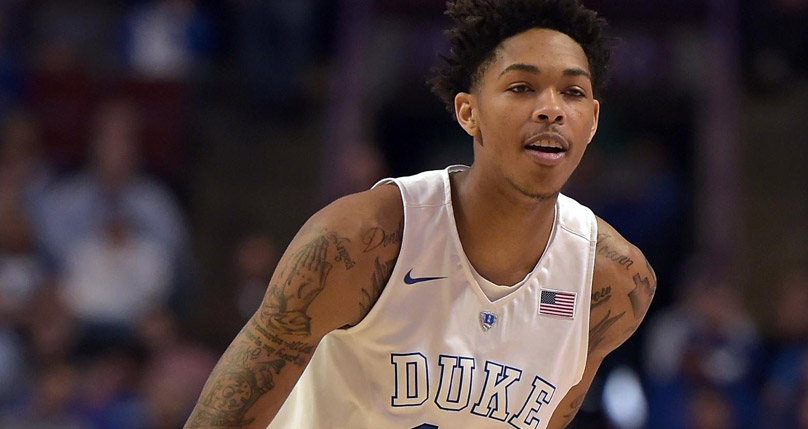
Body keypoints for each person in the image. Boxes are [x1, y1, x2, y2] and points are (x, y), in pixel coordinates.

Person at [185, 0, 657, 428]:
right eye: (521, 87)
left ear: (593, 121)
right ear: (468, 113)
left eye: (572, 92)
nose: (551, 110)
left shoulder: (613, 282)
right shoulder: (360, 240)